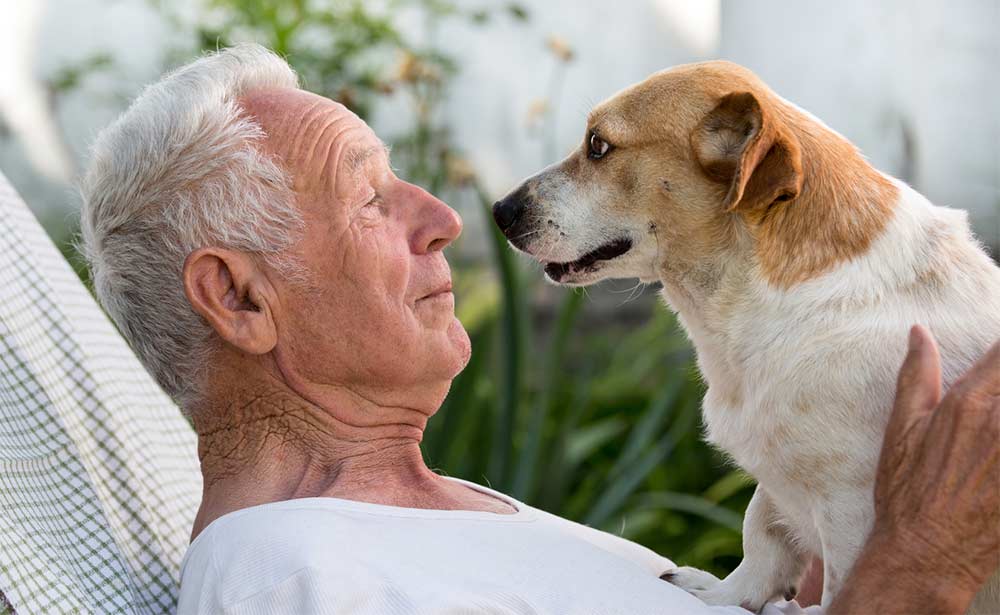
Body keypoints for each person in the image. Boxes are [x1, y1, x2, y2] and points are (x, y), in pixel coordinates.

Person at [78, 44, 999, 615]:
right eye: (369, 197)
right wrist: (920, 569)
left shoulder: (430, 521)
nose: (442, 214)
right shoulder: (294, 575)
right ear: (239, 300)